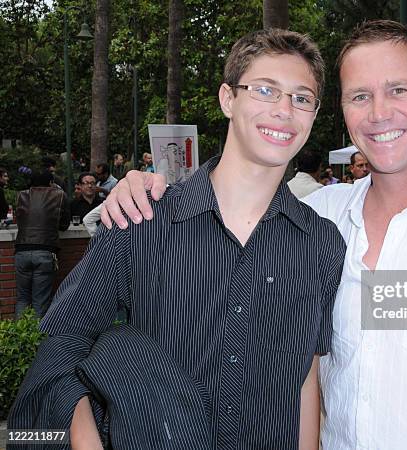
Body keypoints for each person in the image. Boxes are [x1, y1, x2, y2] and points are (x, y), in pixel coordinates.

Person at [101, 20, 407, 449]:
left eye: (399, 89)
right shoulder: (320, 220)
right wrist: (146, 187)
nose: (379, 113)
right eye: (360, 96)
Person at [9, 28, 345, 450]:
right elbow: (64, 341)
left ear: (313, 114)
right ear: (228, 99)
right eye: (265, 90)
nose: (284, 109)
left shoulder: (321, 243)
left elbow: (305, 377)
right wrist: (85, 439)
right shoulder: (140, 219)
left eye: (301, 98)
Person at [14, 172, 70, 317]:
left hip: (21, 250)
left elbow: (19, 220)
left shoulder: (21, 195)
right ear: (51, 183)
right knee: (41, 301)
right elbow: (64, 224)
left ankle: (19, 337)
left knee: (22, 299)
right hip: (45, 251)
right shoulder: (59, 195)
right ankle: (37, 338)